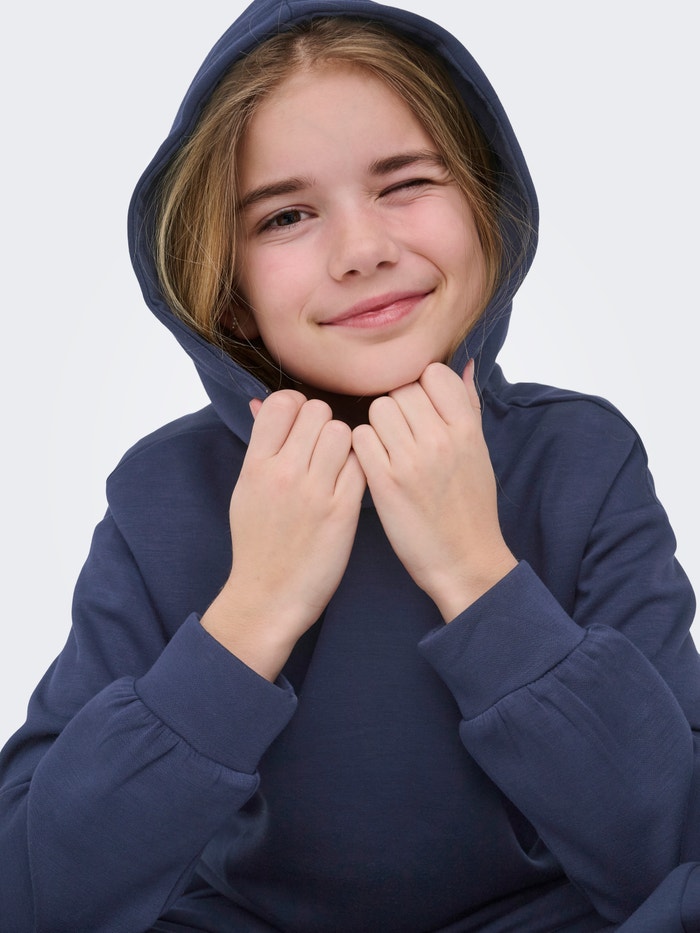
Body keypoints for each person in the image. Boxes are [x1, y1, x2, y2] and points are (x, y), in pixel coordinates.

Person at [1, 0, 699, 929]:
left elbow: (672, 849)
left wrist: (476, 573)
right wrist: (253, 612)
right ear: (229, 290)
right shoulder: (159, 496)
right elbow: (34, 893)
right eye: (286, 215)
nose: (363, 251)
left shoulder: (584, 458)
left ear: (487, 210)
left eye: (405, 183)